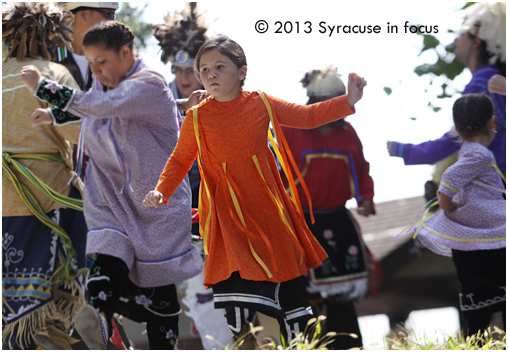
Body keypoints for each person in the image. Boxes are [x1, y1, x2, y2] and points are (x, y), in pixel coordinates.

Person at [143, 36, 367, 347]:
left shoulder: (260, 103)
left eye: (220, 67)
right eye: (204, 69)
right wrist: (161, 191)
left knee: (290, 305)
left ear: (242, 71)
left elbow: (308, 117)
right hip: (226, 223)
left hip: (268, 216)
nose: (211, 75)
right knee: (239, 312)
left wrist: (348, 101)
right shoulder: (196, 117)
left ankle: (296, 344)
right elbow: (181, 159)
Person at [20, 21, 202, 350]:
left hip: (155, 205)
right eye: (91, 63)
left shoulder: (148, 84)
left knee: (160, 300)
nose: (96, 71)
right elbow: (95, 107)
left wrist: (45, 89)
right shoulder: (107, 88)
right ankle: (101, 321)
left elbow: (107, 106)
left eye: (101, 62)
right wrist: (54, 117)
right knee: (106, 253)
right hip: (113, 198)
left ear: (125, 52)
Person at [2, 3, 87, 349]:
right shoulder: (54, 73)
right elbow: (80, 129)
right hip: (49, 193)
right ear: (51, 35)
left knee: (10, 304)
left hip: (4, 198)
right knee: (59, 299)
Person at [153, 4, 232, 349]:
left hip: (225, 215)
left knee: (235, 302)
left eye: (192, 69)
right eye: (179, 68)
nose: (185, 76)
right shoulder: (157, 103)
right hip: (180, 221)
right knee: (202, 299)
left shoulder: (224, 99)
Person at [281, 67, 377, 349]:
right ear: (313, 102)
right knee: (302, 298)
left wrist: (366, 197)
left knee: (343, 300)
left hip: (337, 220)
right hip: (299, 224)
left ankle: (348, 346)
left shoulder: (348, 134)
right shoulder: (290, 130)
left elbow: (361, 168)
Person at [404, 94, 505, 337]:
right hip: (488, 238)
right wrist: (446, 203)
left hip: (474, 241)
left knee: (479, 311)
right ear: (492, 122)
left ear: (457, 129)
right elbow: (448, 180)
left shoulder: (470, 152)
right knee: (489, 303)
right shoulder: (480, 154)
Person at [387, 2, 506, 186]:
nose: (455, 39)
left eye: (461, 34)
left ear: (476, 42)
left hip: (495, 185)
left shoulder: (482, 84)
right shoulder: (494, 79)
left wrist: (407, 151)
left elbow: (459, 137)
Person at [56, 2, 119, 91]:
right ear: (83, 15)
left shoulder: (112, 62)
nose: (113, 22)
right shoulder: (47, 57)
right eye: (109, 14)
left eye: (114, 16)